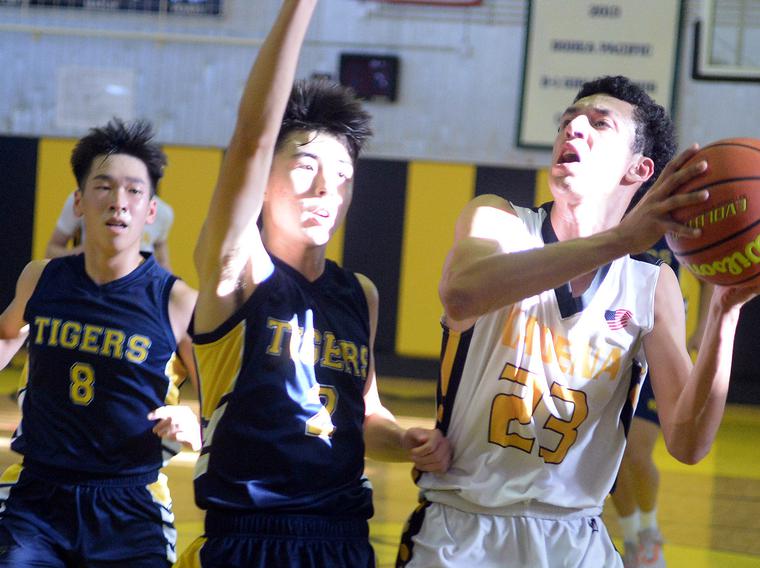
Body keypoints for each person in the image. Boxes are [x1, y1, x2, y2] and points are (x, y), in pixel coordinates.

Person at [396, 75, 760, 567]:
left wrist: (724, 312)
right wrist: (620, 241)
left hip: (576, 538)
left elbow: (688, 441)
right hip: (461, 529)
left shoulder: (651, 285)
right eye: (568, 121)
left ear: (639, 169)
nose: (573, 130)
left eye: (599, 124)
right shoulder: (501, 222)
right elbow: (461, 294)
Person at [175, 2, 451, 567]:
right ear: (264, 176)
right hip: (248, 536)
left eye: (343, 175)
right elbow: (252, 137)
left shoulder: (359, 295)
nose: (326, 188)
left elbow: (365, 413)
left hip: (344, 538)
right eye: (305, 165)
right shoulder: (239, 271)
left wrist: (406, 441)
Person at [0, 118, 201, 567]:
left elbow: (226, 399)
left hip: (131, 500)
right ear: (78, 201)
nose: (118, 202)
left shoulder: (179, 301)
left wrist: (195, 425)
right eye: (104, 187)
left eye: (134, 191)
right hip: (37, 496)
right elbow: (6, 336)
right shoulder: (41, 278)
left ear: (151, 210)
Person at [611, 237, 714, 568]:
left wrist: (702, 328)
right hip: (615, 354)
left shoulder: (677, 228)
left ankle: (649, 532)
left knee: (636, 453)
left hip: (657, 353)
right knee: (613, 459)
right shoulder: (617, 222)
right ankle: (630, 540)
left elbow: (708, 277)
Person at [45, 184, 175, 270]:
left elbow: (163, 262)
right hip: (89, 280)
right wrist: (83, 251)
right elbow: (51, 252)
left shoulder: (163, 212)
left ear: (151, 211)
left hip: (139, 288)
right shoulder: (87, 200)